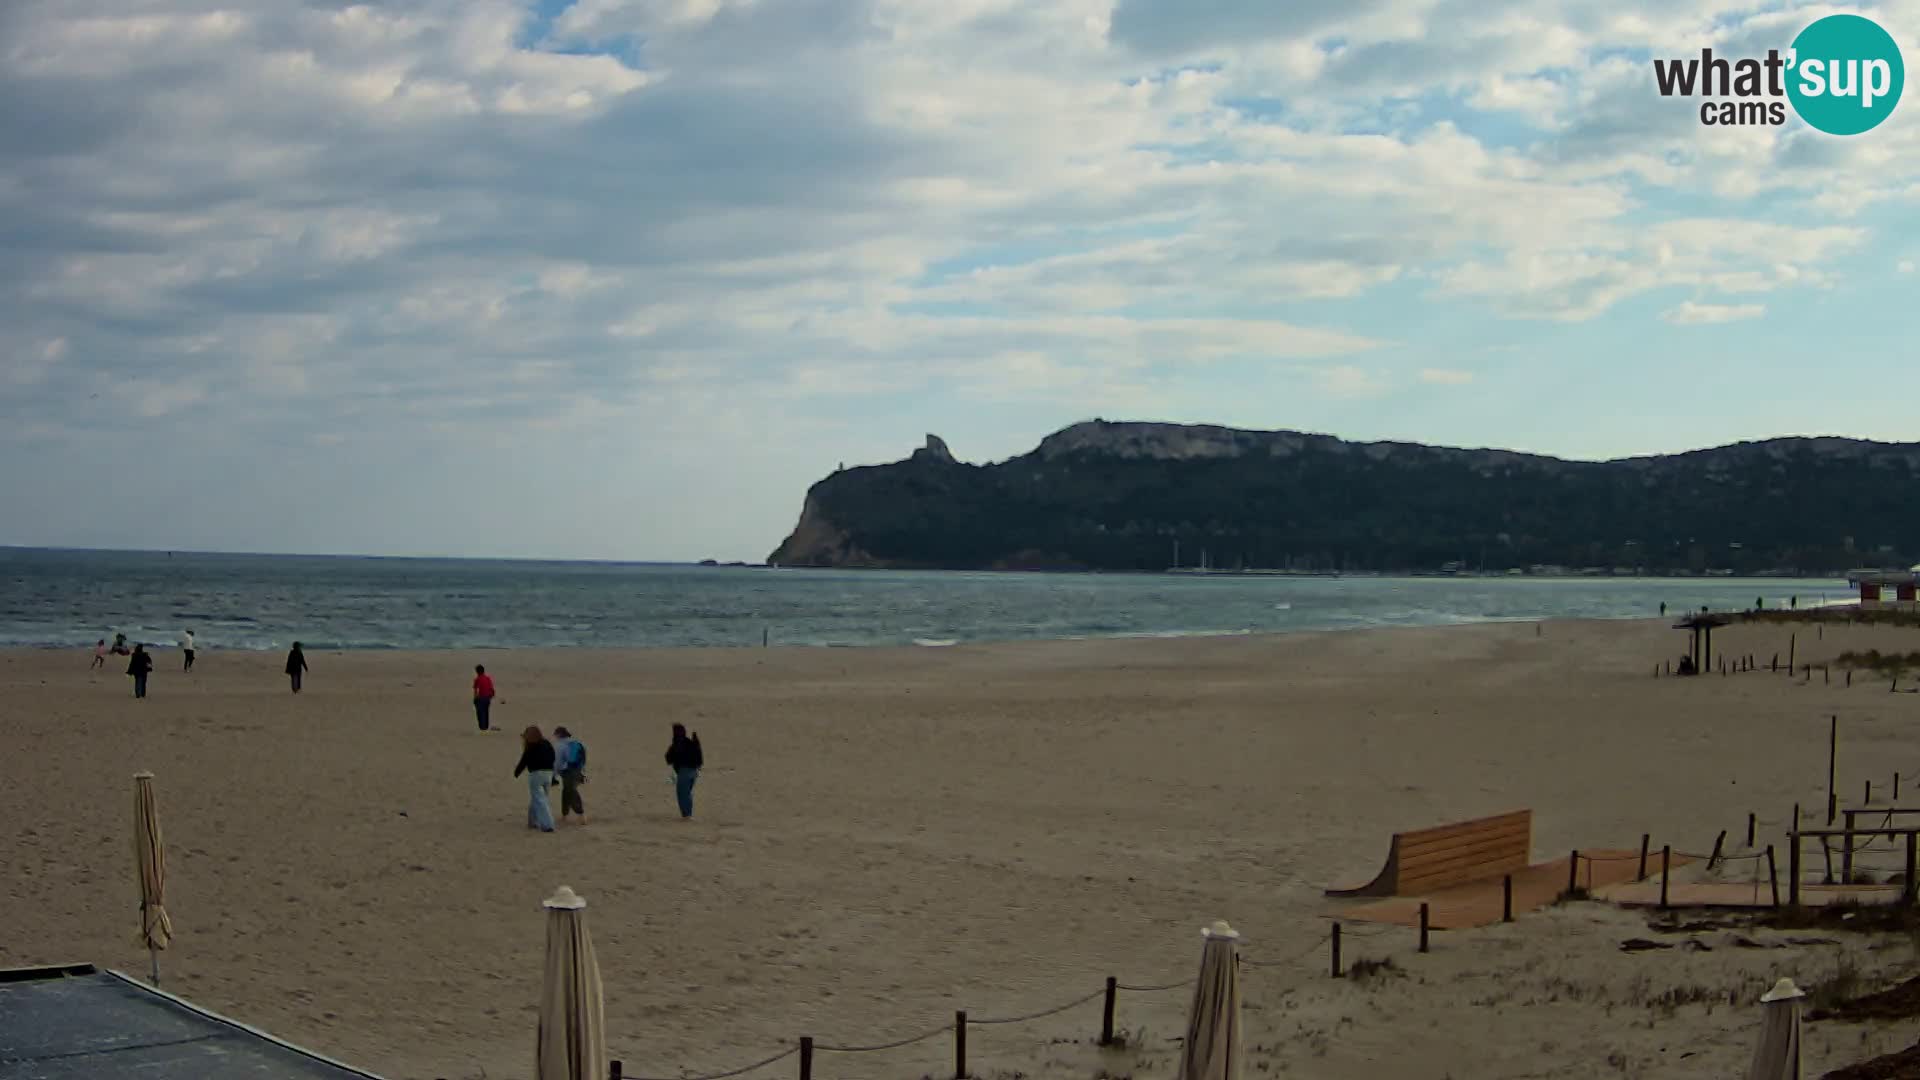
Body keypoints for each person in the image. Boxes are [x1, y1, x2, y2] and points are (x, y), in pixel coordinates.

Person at [512, 726, 557, 832]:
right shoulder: (547, 744)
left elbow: (524, 761)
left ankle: (548, 825)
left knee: (539, 799)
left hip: (536, 775)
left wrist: (516, 773)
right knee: (538, 798)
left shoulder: (531, 747)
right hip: (548, 774)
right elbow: (553, 757)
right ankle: (532, 821)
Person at [664, 723, 703, 820]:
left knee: (682, 794)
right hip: (694, 771)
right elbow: (698, 755)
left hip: (684, 771)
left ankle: (687, 815)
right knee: (687, 793)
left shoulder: (677, 744)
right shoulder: (690, 742)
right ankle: (688, 813)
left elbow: (669, 759)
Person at [553, 726, 587, 824]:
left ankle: (581, 815)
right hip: (577, 771)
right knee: (567, 791)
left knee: (571, 792)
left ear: (558, 735)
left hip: (567, 772)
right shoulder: (576, 742)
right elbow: (583, 758)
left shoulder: (559, 745)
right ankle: (565, 815)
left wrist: (553, 776)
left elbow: (557, 763)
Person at [472, 664, 496, 731]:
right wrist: (492, 695)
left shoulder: (477, 679)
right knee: (486, 712)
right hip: (487, 698)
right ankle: (486, 726)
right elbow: (491, 688)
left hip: (481, 698)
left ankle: (482, 727)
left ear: (477, 672)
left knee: (480, 713)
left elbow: (476, 690)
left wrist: (475, 698)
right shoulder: (488, 678)